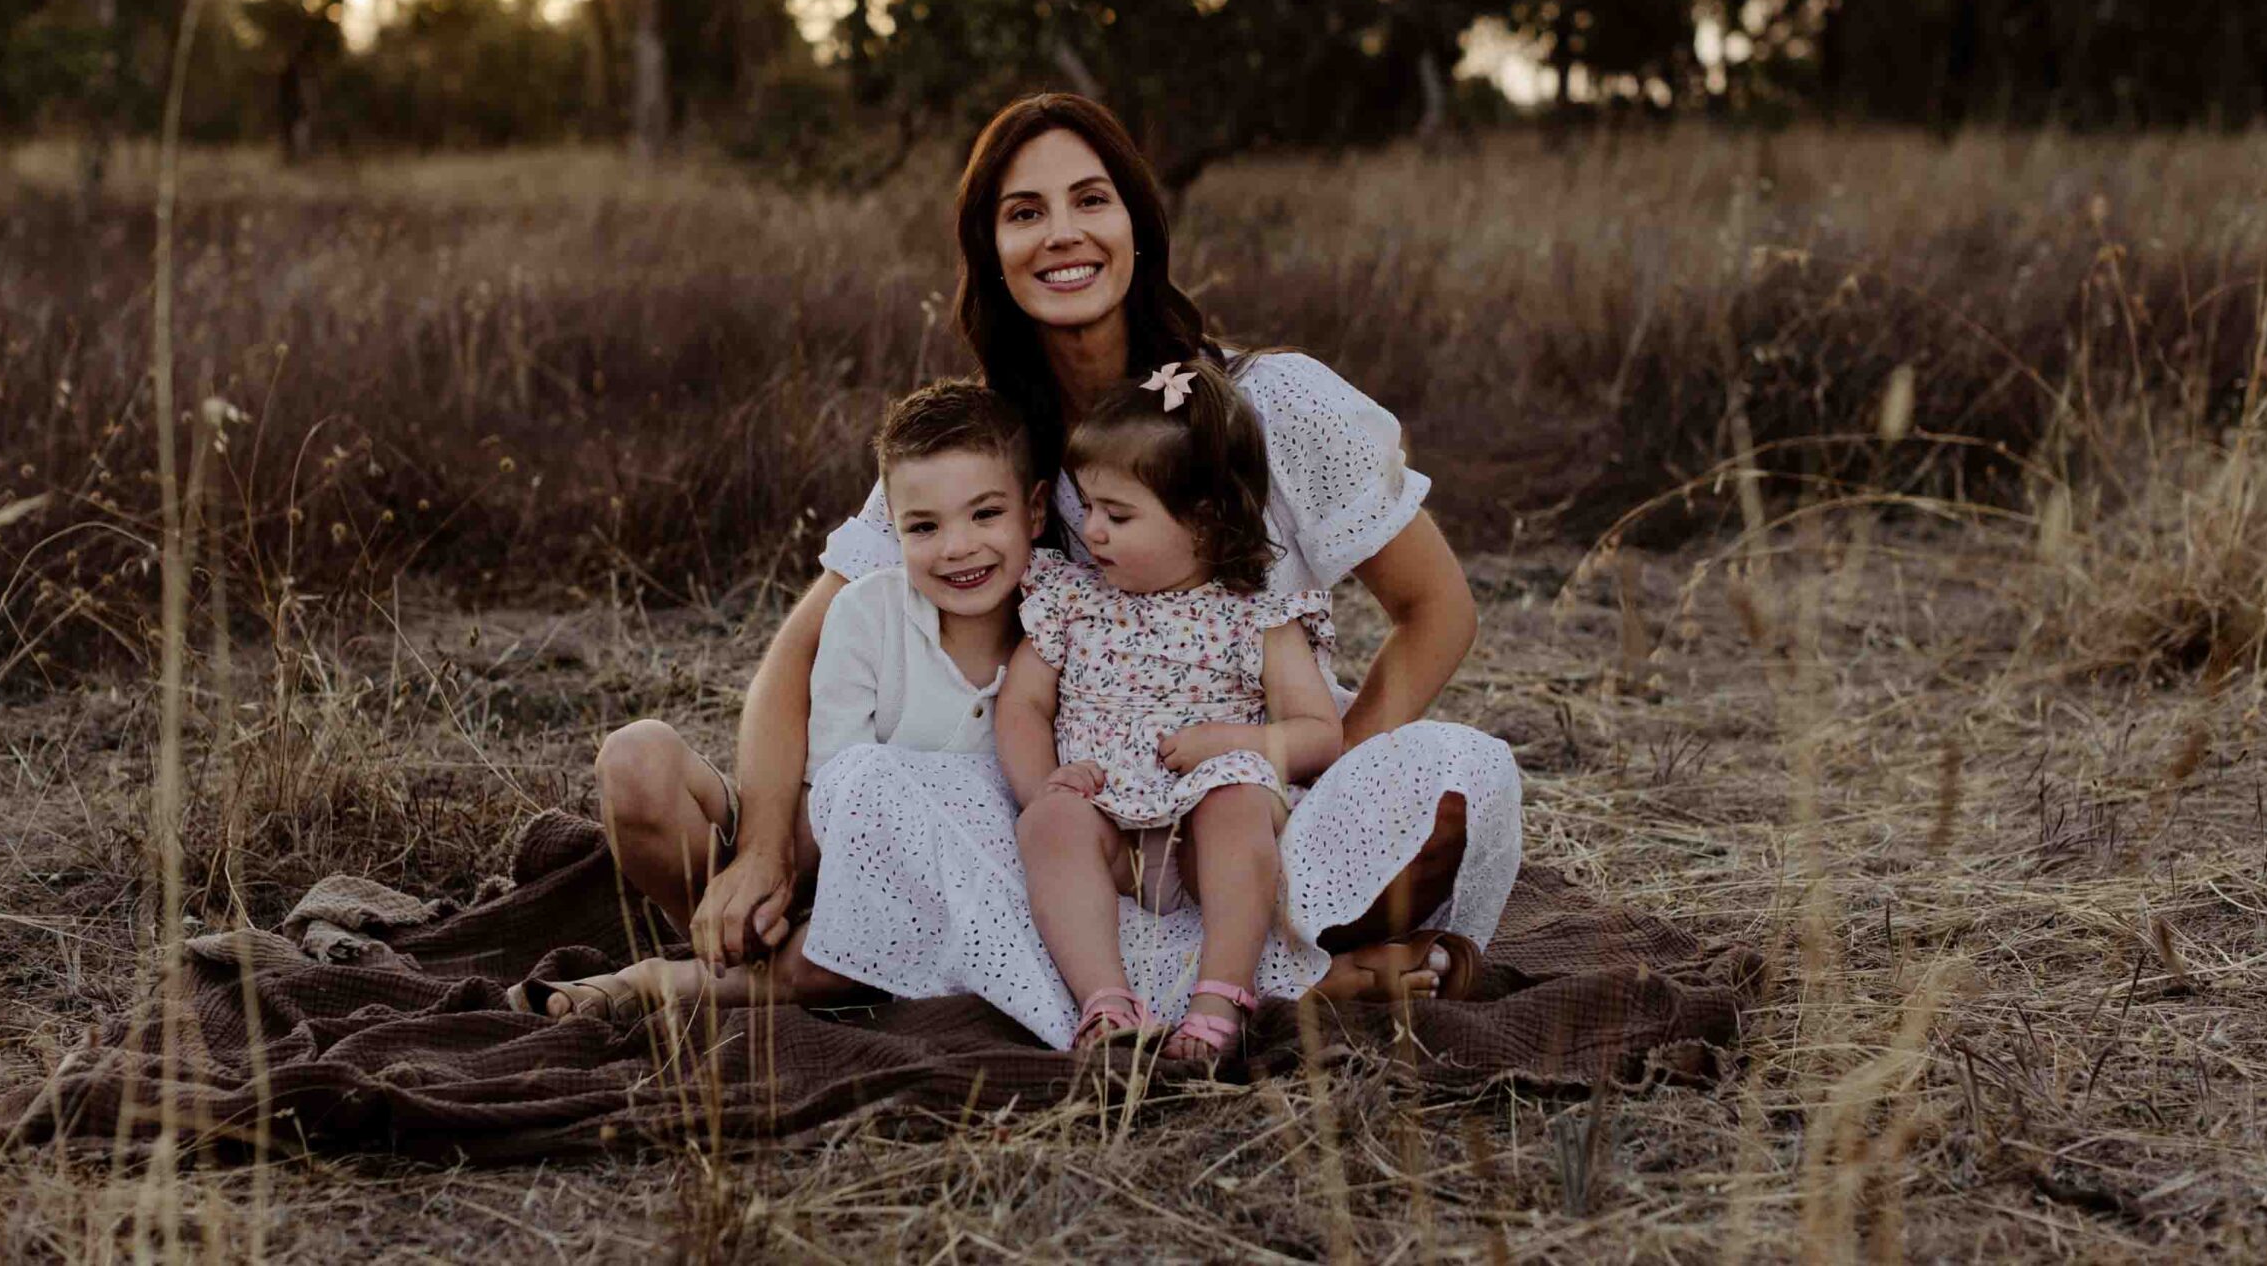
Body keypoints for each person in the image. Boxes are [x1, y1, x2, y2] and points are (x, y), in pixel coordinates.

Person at [772, 93, 1522, 1048]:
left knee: (1457, 784)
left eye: (1092, 199)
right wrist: (764, 847)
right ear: (986, 249)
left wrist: (1318, 792)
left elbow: (1438, 610)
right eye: (1024, 212)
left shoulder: (1270, 404)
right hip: (1084, 816)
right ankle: (1244, 984)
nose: (1063, 234)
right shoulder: (986, 457)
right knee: (894, 796)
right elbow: (799, 655)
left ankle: (1257, 949)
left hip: (1254, 794)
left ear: (1138, 223)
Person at [507, 379, 1042, 1020]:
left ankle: (661, 983)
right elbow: (834, 786)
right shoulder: (866, 612)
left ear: (1035, 513)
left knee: (831, 957)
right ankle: (741, 952)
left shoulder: (1064, 630)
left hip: (951, 889)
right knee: (635, 758)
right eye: (924, 526)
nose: (957, 547)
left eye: (985, 514)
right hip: (832, 856)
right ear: (891, 528)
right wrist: (770, 873)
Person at [1000, 357, 1344, 1056]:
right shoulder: (1072, 601)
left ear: (1206, 523)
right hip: (1106, 821)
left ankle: (1220, 995)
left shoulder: (1257, 617)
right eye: (1088, 506)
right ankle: (1105, 1000)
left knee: (1238, 803)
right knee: (1049, 825)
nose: (1090, 530)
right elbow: (1022, 706)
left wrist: (1230, 744)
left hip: (1203, 818)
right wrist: (1048, 788)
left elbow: (1320, 734)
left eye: (1117, 514)